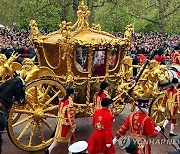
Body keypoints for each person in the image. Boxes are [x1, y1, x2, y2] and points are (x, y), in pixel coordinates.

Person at [45, 87, 76, 154]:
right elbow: (70, 116)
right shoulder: (70, 102)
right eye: (73, 94)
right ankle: (70, 152)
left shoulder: (61, 100)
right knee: (70, 137)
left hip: (60, 122)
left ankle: (49, 149)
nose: (74, 96)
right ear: (71, 95)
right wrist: (73, 125)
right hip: (67, 123)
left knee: (59, 138)